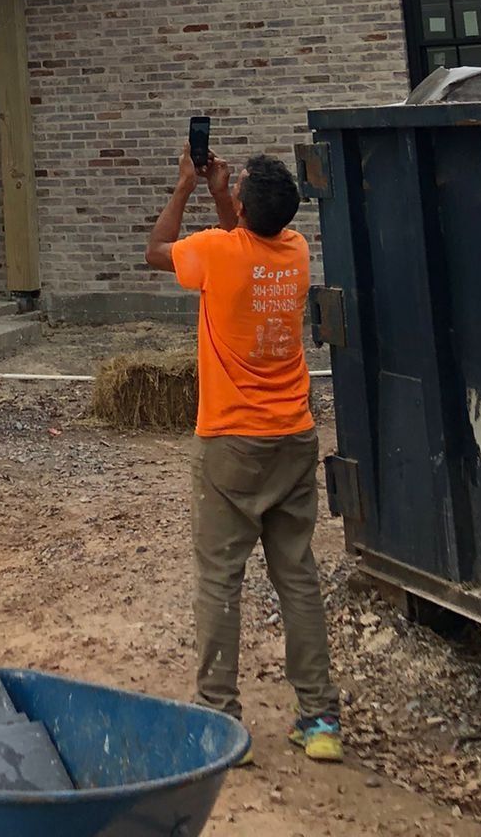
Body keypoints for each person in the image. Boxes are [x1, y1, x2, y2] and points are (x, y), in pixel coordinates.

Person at [144, 146, 342, 764]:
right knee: (297, 577)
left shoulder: (214, 252)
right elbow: (249, 243)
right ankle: (319, 720)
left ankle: (219, 719)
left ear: (246, 207)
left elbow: (157, 252)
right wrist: (227, 195)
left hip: (230, 441)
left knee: (219, 581)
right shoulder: (296, 252)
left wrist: (186, 187)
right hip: (294, 437)